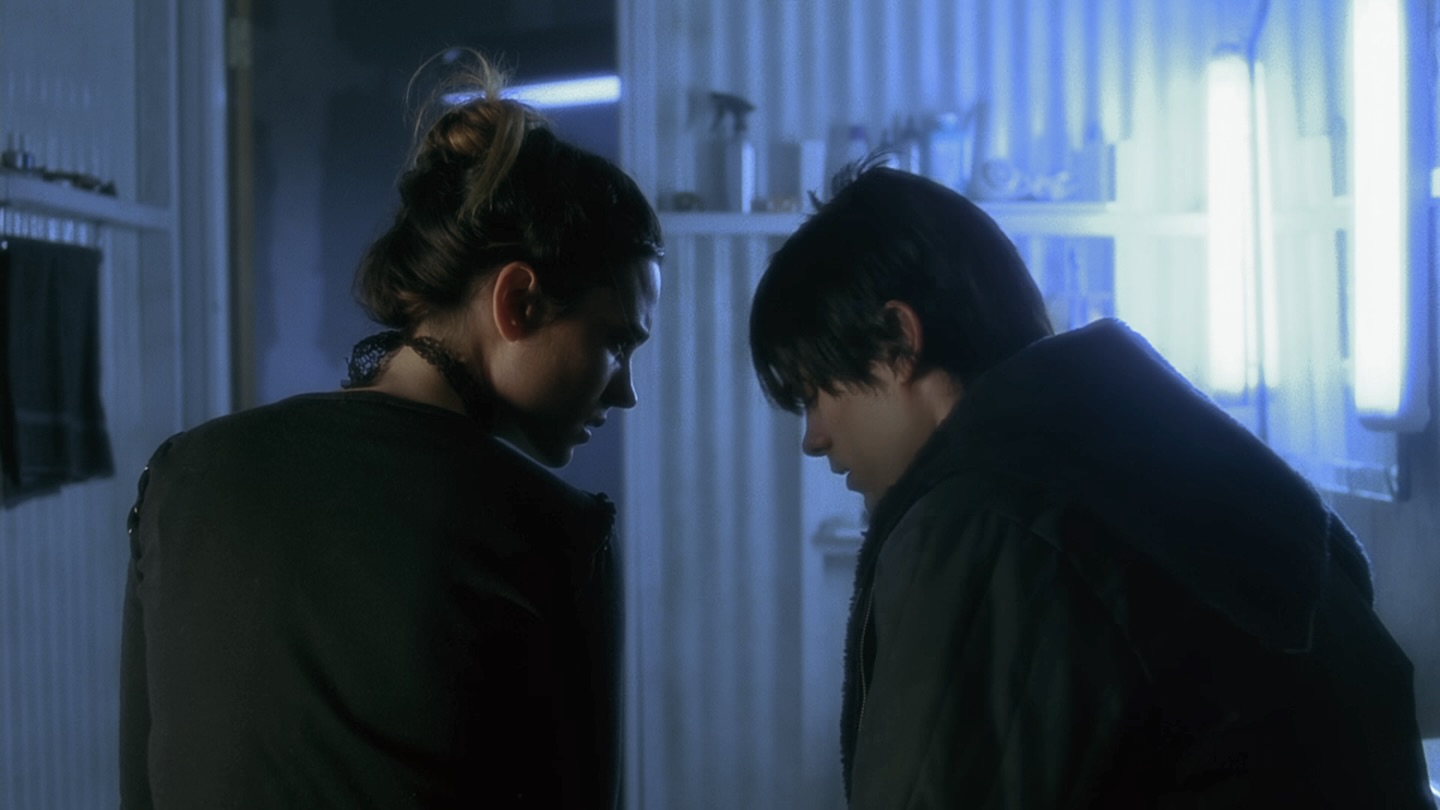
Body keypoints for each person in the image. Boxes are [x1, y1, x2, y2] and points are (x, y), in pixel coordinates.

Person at [748, 161, 1436, 809]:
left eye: (816, 392)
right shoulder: (1185, 469)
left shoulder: (984, 520)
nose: (814, 436)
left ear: (898, 340)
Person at [120, 51, 662, 809]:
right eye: (617, 341)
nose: (626, 391)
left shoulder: (182, 473)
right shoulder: (553, 535)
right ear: (518, 303)